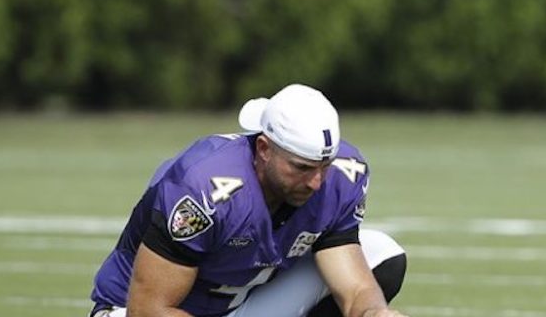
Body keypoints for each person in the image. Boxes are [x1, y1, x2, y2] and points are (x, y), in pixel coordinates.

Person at [89, 83, 409, 317]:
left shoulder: (340, 178)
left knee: (381, 253)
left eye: (324, 167)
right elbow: (147, 310)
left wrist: (374, 312)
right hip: (134, 310)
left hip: (238, 304)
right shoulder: (205, 187)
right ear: (264, 149)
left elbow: (354, 288)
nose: (316, 182)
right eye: (301, 167)